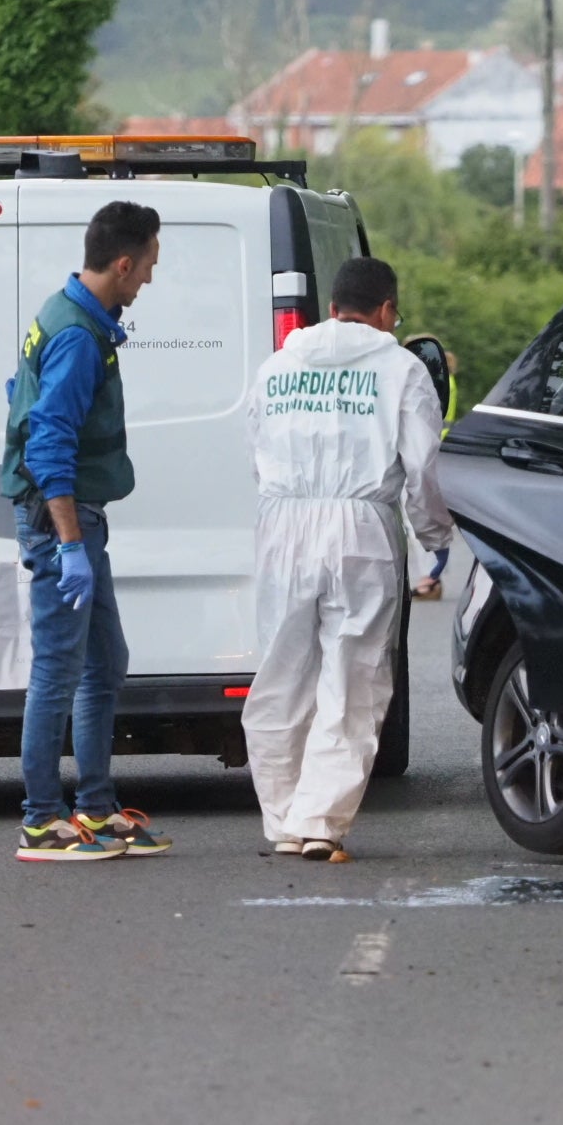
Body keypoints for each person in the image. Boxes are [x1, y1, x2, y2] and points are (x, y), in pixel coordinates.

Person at [241, 257, 452, 859]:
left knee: (282, 674)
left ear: (332, 306)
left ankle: (282, 817)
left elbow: (254, 452)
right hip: (360, 527)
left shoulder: (278, 366)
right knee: (354, 675)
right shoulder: (401, 369)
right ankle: (319, 821)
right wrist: (435, 535)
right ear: (386, 310)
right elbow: (424, 468)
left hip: (283, 524)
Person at [1, 200, 173, 863]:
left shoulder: (66, 314)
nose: (149, 282)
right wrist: (69, 545)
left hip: (74, 520)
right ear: (123, 263)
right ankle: (42, 820)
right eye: (149, 267)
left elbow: (24, 394)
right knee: (58, 667)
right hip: (61, 522)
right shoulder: (76, 334)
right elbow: (49, 446)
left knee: (105, 662)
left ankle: (95, 809)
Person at [410, 344, 459, 600]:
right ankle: (431, 578)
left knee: (424, 509)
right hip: (437, 450)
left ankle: (429, 579)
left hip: (432, 450)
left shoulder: (435, 385)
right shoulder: (446, 382)